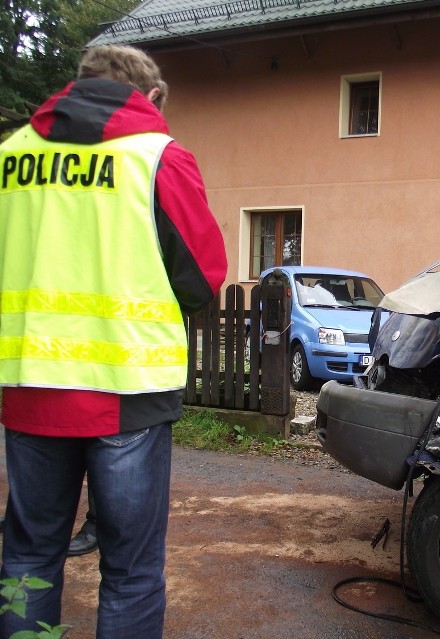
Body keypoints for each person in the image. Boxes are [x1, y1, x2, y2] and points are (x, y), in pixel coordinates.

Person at [0, 45, 227, 638]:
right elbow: (202, 279)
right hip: (127, 389)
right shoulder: (158, 158)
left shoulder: (10, 155)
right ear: (151, 97)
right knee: (129, 570)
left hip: (30, 387)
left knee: (28, 555)